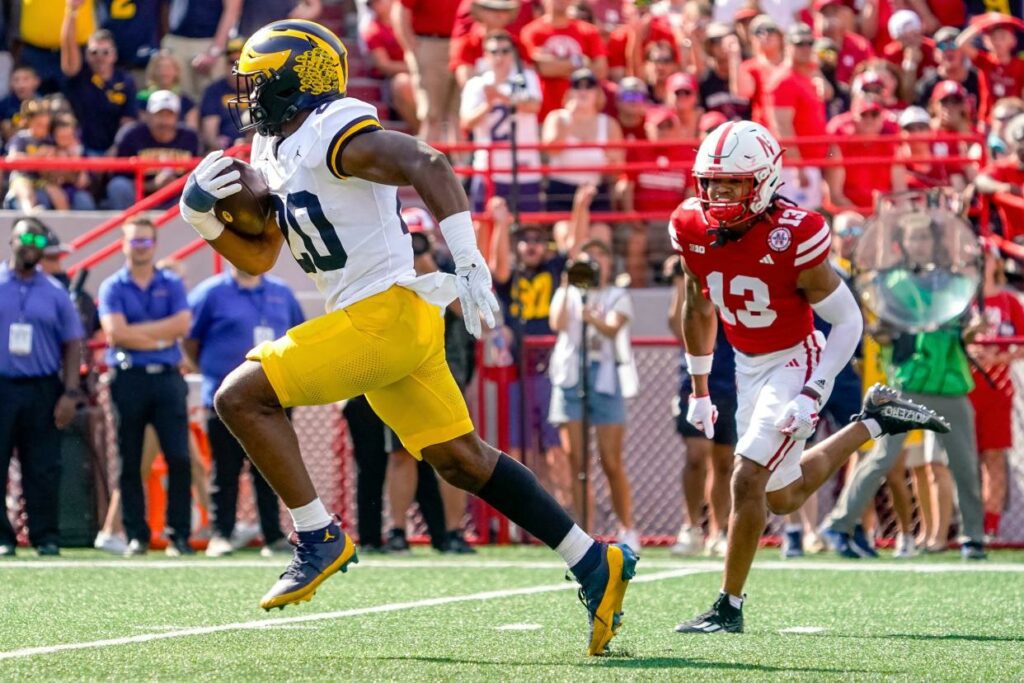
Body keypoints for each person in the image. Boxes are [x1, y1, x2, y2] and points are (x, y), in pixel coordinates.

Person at [178, 20, 636, 656]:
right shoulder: (277, 149)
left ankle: (317, 535)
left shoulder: (332, 129)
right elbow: (259, 257)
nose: (249, 95)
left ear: (296, 79)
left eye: (259, 81)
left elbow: (428, 161)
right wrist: (205, 221)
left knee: (238, 397)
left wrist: (469, 259)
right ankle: (593, 560)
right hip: (393, 322)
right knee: (462, 460)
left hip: (382, 316)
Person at [669, 121, 950, 634]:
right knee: (781, 496)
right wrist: (699, 386)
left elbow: (848, 321)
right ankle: (872, 423)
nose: (717, 193)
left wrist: (813, 390)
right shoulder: (689, 225)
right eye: (710, 182)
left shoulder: (795, 232)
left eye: (731, 183)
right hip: (746, 365)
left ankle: (727, 606)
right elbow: (696, 304)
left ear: (764, 182)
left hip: (795, 359)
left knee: (746, 475)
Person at [822, 213, 988, 561]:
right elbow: (880, 332)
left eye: (924, 239)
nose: (919, 245)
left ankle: (973, 537)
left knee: (964, 463)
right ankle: (839, 525)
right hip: (907, 383)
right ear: (903, 245)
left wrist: (974, 329)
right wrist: (881, 330)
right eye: (913, 240)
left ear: (935, 244)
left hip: (952, 382)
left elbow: (965, 331)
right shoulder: (890, 283)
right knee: (880, 458)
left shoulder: (954, 282)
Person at [183, 267, 305, 557]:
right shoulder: (209, 293)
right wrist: (214, 377)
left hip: (274, 397)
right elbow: (190, 341)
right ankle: (221, 534)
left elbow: (299, 335)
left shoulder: (282, 292)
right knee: (225, 470)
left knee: (273, 468)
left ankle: (273, 535)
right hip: (227, 401)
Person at [98, 217, 193, 557]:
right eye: (134, 241)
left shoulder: (171, 282)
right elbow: (115, 333)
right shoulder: (112, 286)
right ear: (124, 245)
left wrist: (140, 336)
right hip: (129, 378)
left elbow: (182, 324)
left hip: (167, 378)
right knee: (129, 460)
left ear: (155, 244)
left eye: (145, 241)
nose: (140, 247)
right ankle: (137, 535)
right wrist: (159, 337)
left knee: (179, 458)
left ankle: (178, 535)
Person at [548, 237, 639, 552]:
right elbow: (556, 323)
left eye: (601, 254)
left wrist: (589, 313)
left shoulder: (617, 294)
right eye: (590, 256)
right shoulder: (568, 292)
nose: (595, 261)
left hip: (605, 377)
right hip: (571, 374)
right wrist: (566, 283)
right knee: (576, 460)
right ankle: (581, 533)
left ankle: (627, 527)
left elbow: (612, 329)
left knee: (611, 460)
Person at [0, 217, 84, 557]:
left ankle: (45, 536)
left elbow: (73, 343)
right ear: (12, 240)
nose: (33, 244)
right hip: (2, 386)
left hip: (42, 389)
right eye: (27, 237)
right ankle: (3, 538)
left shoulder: (55, 291)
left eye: (39, 239)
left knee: (44, 466)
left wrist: (69, 392)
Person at [666, 255, 734, 558]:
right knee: (696, 455)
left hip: (731, 379)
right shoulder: (695, 275)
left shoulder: (734, 277)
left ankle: (719, 530)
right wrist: (682, 278)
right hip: (695, 381)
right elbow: (677, 323)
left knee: (724, 461)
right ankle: (691, 526)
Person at [966, 241, 1024, 542]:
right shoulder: (961, 299)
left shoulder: (1009, 301)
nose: (981, 262)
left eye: (986, 257)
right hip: (963, 389)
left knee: (994, 460)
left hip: (998, 391)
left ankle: (991, 528)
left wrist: (998, 357)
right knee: (961, 461)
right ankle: (968, 526)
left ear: (997, 262)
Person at [460, 29, 543, 213]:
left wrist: (502, 96)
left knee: (530, 228)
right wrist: (488, 106)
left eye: (505, 51)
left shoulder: (526, 78)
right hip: (489, 169)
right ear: (485, 55)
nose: (500, 57)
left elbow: (534, 106)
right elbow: (466, 122)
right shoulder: (476, 84)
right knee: (485, 227)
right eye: (494, 52)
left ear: (512, 53)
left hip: (525, 167)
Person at [767, 23, 847, 212]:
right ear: (787, 46)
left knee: (815, 216)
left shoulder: (808, 73)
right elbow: (782, 128)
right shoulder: (783, 80)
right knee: (800, 219)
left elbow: (828, 93)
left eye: (810, 43)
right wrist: (798, 167)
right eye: (799, 43)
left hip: (814, 160)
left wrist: (817, 71)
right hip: (796, 166)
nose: (805, 48)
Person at [542, 67, 623, 214]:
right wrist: (570, 118)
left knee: (600, 235)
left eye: (589, 86)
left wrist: (611, 162)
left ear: (598, 93)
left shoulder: (609, 124)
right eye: (577, 86)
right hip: (561, 189)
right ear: (569, 92)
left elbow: (617, 168)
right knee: (565, 233)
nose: (583, 91)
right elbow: (552, 150)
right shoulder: (557, 118)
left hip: (595, 190)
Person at [106, 90, 201, 210]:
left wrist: (174, 185)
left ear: (177, 117)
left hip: (176, 200)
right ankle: (123, 224)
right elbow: (119, 177)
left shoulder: (189, 137)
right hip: (139, 199)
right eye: (159, 114)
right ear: (149, 115)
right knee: (118, 186)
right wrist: (152, 185)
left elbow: (197, 176)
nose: (164, 121)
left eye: (169, 115)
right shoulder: (132, 135)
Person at [60, 15, 138, 156]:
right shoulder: (79, 75)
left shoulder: (126, 80)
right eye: (94, 52)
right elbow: (68, 45)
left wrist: (115, 149)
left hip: (115, 153)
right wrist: (72, 11)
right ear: (86, 55)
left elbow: (128, 121)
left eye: (105, 52)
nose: (100, 57)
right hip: (80, 152)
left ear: (114, 55)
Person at [520, 0, 608, 121]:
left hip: (582, 115)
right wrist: (580, 63)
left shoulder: (589, 31)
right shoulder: (531, 32)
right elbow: (540, 68)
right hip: (543, 113)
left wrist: (554, 64)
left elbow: (600, 70)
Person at [391, 0, 461, 143]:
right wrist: (411, 47)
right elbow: (400, 11)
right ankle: (428, 163)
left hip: (460, 44)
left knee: (458, 116)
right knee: (432, 116)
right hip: (430, 42)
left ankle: (460, 163)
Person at [160, 0, 244, 101]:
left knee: (209, 99)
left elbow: (232, 9)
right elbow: (164, 7)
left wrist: (215, 51)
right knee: (178, 100)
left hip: (208, 41)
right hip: (176, 40)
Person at [198, 37, 246, 153]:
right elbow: (210, 135)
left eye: (242, 61)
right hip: (226, 152)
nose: (237, 66)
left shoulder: (263, 88)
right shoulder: (214, 91)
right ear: (225, 64)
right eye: (231, 62)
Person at [137, 50, 199, 131]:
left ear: (176, 71)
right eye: (160, 67)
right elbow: (141, 128)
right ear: (153, 71)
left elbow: (191, 130)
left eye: (168, 68)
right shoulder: (142, 98)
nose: (164, 72)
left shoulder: (186, 101)